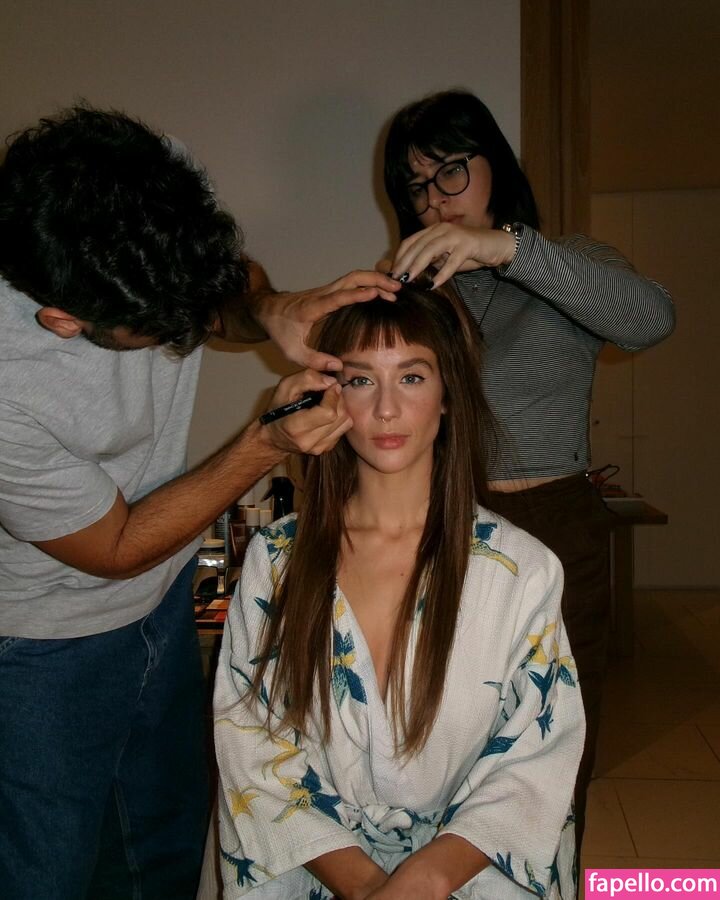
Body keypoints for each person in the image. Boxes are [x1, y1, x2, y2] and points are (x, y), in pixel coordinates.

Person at [0, 105, 399, 900]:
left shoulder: (149, 186)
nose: (192, 334)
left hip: (161, 608)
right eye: (166, 329)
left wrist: (268, 307)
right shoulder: (9, 379)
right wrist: (264, 445)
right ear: (64, 321)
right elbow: (113, 549)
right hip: (40, 647)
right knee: (49, 872)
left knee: (164, 848)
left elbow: (227, 287)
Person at [213, 283, 585, 899]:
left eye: (411, 377)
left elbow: (537, 757)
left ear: (448, 395)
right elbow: (251, 742)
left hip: (468, 875)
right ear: (328, 396)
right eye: (361, 380)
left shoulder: (521, 569)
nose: (387, 409)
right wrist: (365, 886)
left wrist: (428, 878)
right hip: (317, 871)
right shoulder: (277, 560)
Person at [380, 89, 676, 848]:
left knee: (553, 753)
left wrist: (510, 249)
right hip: (441, 528)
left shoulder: (564, 263)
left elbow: (651, 320)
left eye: (450, 172)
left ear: (495, 165)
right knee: (442, 753)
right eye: (416, 187)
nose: (434, 200)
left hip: (553, 526)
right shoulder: (418, 289)